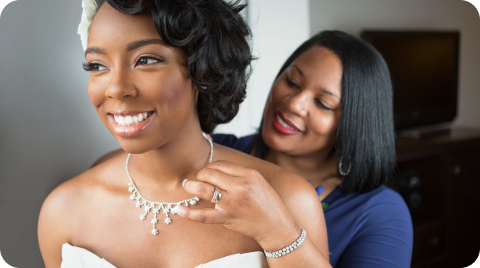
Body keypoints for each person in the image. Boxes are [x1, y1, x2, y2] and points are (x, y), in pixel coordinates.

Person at [38, 0, 332, 267]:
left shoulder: (288, 202)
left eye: (145, 60)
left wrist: (279, 235)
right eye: (97, 65)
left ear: (201, 69)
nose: (115, 88)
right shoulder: (63, 210)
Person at [212, 30, 414, 267]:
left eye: (322, 103)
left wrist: (280, 234)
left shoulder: (380, 213)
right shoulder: (215, 149)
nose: (294, 103)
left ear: (353, 124)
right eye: (292, 82)